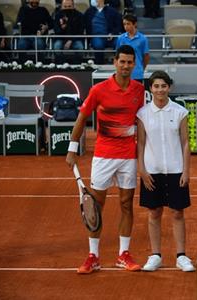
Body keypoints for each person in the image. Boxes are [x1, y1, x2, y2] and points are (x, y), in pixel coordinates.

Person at [66, 45, 144, 274]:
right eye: (123, 62)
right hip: (103, 156)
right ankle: (94, 256)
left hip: (128, 156)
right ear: (115, 62)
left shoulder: (139, 90)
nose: (126, 66)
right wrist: (72, 149)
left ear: (134, 64)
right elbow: (82, 117)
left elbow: (141, 122)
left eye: (130, 62)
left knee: (126, 204)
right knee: (96, 207)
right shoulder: (99, 90)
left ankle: (123, 254)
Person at [137, 70, 196, 272]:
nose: (160, 90)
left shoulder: (180, 112)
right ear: (150, 89)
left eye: (163, 86)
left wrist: (186, 171)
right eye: (156, 86)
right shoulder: (143, 113)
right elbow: (141, 143)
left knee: (177, 213)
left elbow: (185, 142)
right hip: (152, 170)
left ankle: (181, 256)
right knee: (154, 213)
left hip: (176, 170)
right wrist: (142, 170)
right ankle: (155, 255)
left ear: (169, 87)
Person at [84, 0, 123, 64]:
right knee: (98, 45)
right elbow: (84, 24)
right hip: (96, 36)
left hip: (110, 36)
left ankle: (119, 63)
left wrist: (113, 33)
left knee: (119, 43)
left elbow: (118, 25)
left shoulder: (112, 11)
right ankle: (100, 64)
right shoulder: (89, 11)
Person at [115, 14, 150, 82]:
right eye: (124, 24)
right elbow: (117, 55)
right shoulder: (120, 38)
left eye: (128, 24)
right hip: (122, 73)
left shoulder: (143, 39)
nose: (126, 26)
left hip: (137, 73)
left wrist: (141, 68)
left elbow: (146, 56)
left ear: (135, 24)